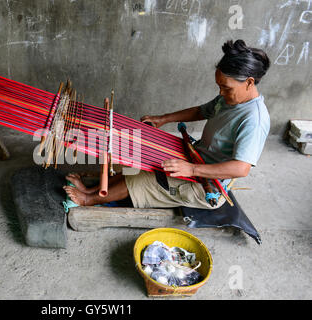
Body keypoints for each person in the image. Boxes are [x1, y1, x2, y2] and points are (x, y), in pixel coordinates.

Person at [63, 39, 271, 209]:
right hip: (194, 156)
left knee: (142, 178)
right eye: (219, 87)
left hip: (205, 184)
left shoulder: (254, 119)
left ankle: (89, 200)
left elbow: (241, 168)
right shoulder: (228, 99)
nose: (221, 93)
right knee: (138, 155)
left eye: (226, 88)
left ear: (249, 82)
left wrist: (191, 169)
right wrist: (164, 119)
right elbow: (201, 111)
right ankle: (92, 189)